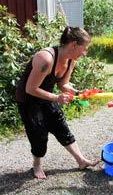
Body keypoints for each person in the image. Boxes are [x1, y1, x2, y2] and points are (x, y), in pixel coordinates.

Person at [16, 26, 99, 179]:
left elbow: (63, 85)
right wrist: (56, 98)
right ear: (74, 44)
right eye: (84, 48)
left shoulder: (71, 61)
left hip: (47, 95)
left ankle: (81, 161)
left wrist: (79, 92)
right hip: (28, 99)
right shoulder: (46, 59)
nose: (85, 52)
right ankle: (37, 164)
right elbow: (30, 88)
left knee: (60, 125)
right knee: (39, 135)